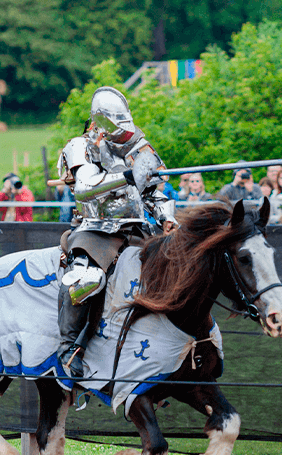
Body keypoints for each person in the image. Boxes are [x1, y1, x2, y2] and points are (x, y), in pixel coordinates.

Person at [54, 86, 176, 377]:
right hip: (95, 229)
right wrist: (126, 176)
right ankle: (69, 349)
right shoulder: (80, 146)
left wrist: (166, 216)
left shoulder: (135, 148)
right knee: (86, 280)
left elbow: (150, 192)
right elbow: (84, 189)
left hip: (136, 227)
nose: (123, 135)